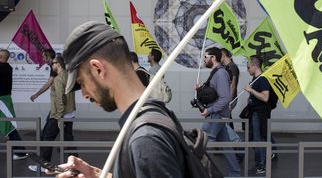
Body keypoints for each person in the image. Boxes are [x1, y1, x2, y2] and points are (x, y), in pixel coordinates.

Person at [56, 21, 185, 177]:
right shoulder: (155, 113)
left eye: (81, 82)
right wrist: (96, 174)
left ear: (98, 69)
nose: (85, 94)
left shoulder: (145, 139)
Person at [196, 47, 241, 177]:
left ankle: (202, 173)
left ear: (213, 58)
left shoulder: (220, 74)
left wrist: (209, 110)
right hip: (217, 115)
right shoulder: (216, 72)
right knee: (227, 146)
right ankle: (235, 174)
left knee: (203, 144)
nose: (204, 60)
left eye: (206, 57)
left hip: (216, 115)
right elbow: (213, 94)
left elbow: (225, 98)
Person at [28, 54, 76, 172]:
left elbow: (60, 99)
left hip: (58, 116)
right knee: (68, 141)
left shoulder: (59, 78)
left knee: (46, 138)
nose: (52, 65)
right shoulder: (68, 75)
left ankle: (44, 166)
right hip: (70, 113)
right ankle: (76, 165)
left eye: (53, 63)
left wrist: (59, 117)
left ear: (58, 64)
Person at [243, 56, 271, 174]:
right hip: (252, 111)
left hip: (259, 113)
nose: (247, 69)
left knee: (257, 138)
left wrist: (251, 90)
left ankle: (261, 164)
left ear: (255, 66)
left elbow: (265, 97)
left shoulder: (263, 79)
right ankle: (266, 155)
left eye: (248, 67)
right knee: (251, 138)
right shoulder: (255, 79)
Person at [0, 49, 27, 160]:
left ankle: (21, 152)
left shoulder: (2, 68)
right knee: (8, 126)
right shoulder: (8, 67)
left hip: (2, 101)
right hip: (4, 99)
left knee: (10, 128)